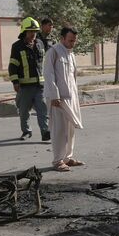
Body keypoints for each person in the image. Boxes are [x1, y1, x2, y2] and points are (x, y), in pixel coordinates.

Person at [43, 27, 84, 172]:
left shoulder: (71, 55)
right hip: (58, 99)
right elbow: (48, 75)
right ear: (62, 38)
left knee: (70, 129)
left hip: (70, 98)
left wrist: (75, 97)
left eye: (74, 41)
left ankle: (67, 158)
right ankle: (58, 161)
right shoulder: (53, 52)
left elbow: (73, 78)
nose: (72, 43)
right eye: (70, 40)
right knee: (59, 130)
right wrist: (54, 95)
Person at [8, 17, 50, 141]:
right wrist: (15, 82)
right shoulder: (17, 46)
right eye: (30, 31)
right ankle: (26, 131)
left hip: (40, 85)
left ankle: (45, 132)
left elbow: (45, 63)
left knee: (42, 110)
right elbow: (13, 66)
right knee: (24, 111)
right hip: (24, 86)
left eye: (35, 31)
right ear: (24, 32)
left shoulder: (40, 43)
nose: (33, 34)